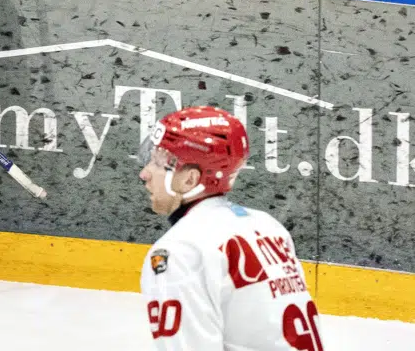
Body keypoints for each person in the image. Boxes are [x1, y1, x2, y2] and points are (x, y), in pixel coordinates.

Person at [137, 106, 323, 349]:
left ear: (189, 179)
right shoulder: (268, 227)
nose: (144, 173)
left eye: (158, 163)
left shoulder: (180, 252)